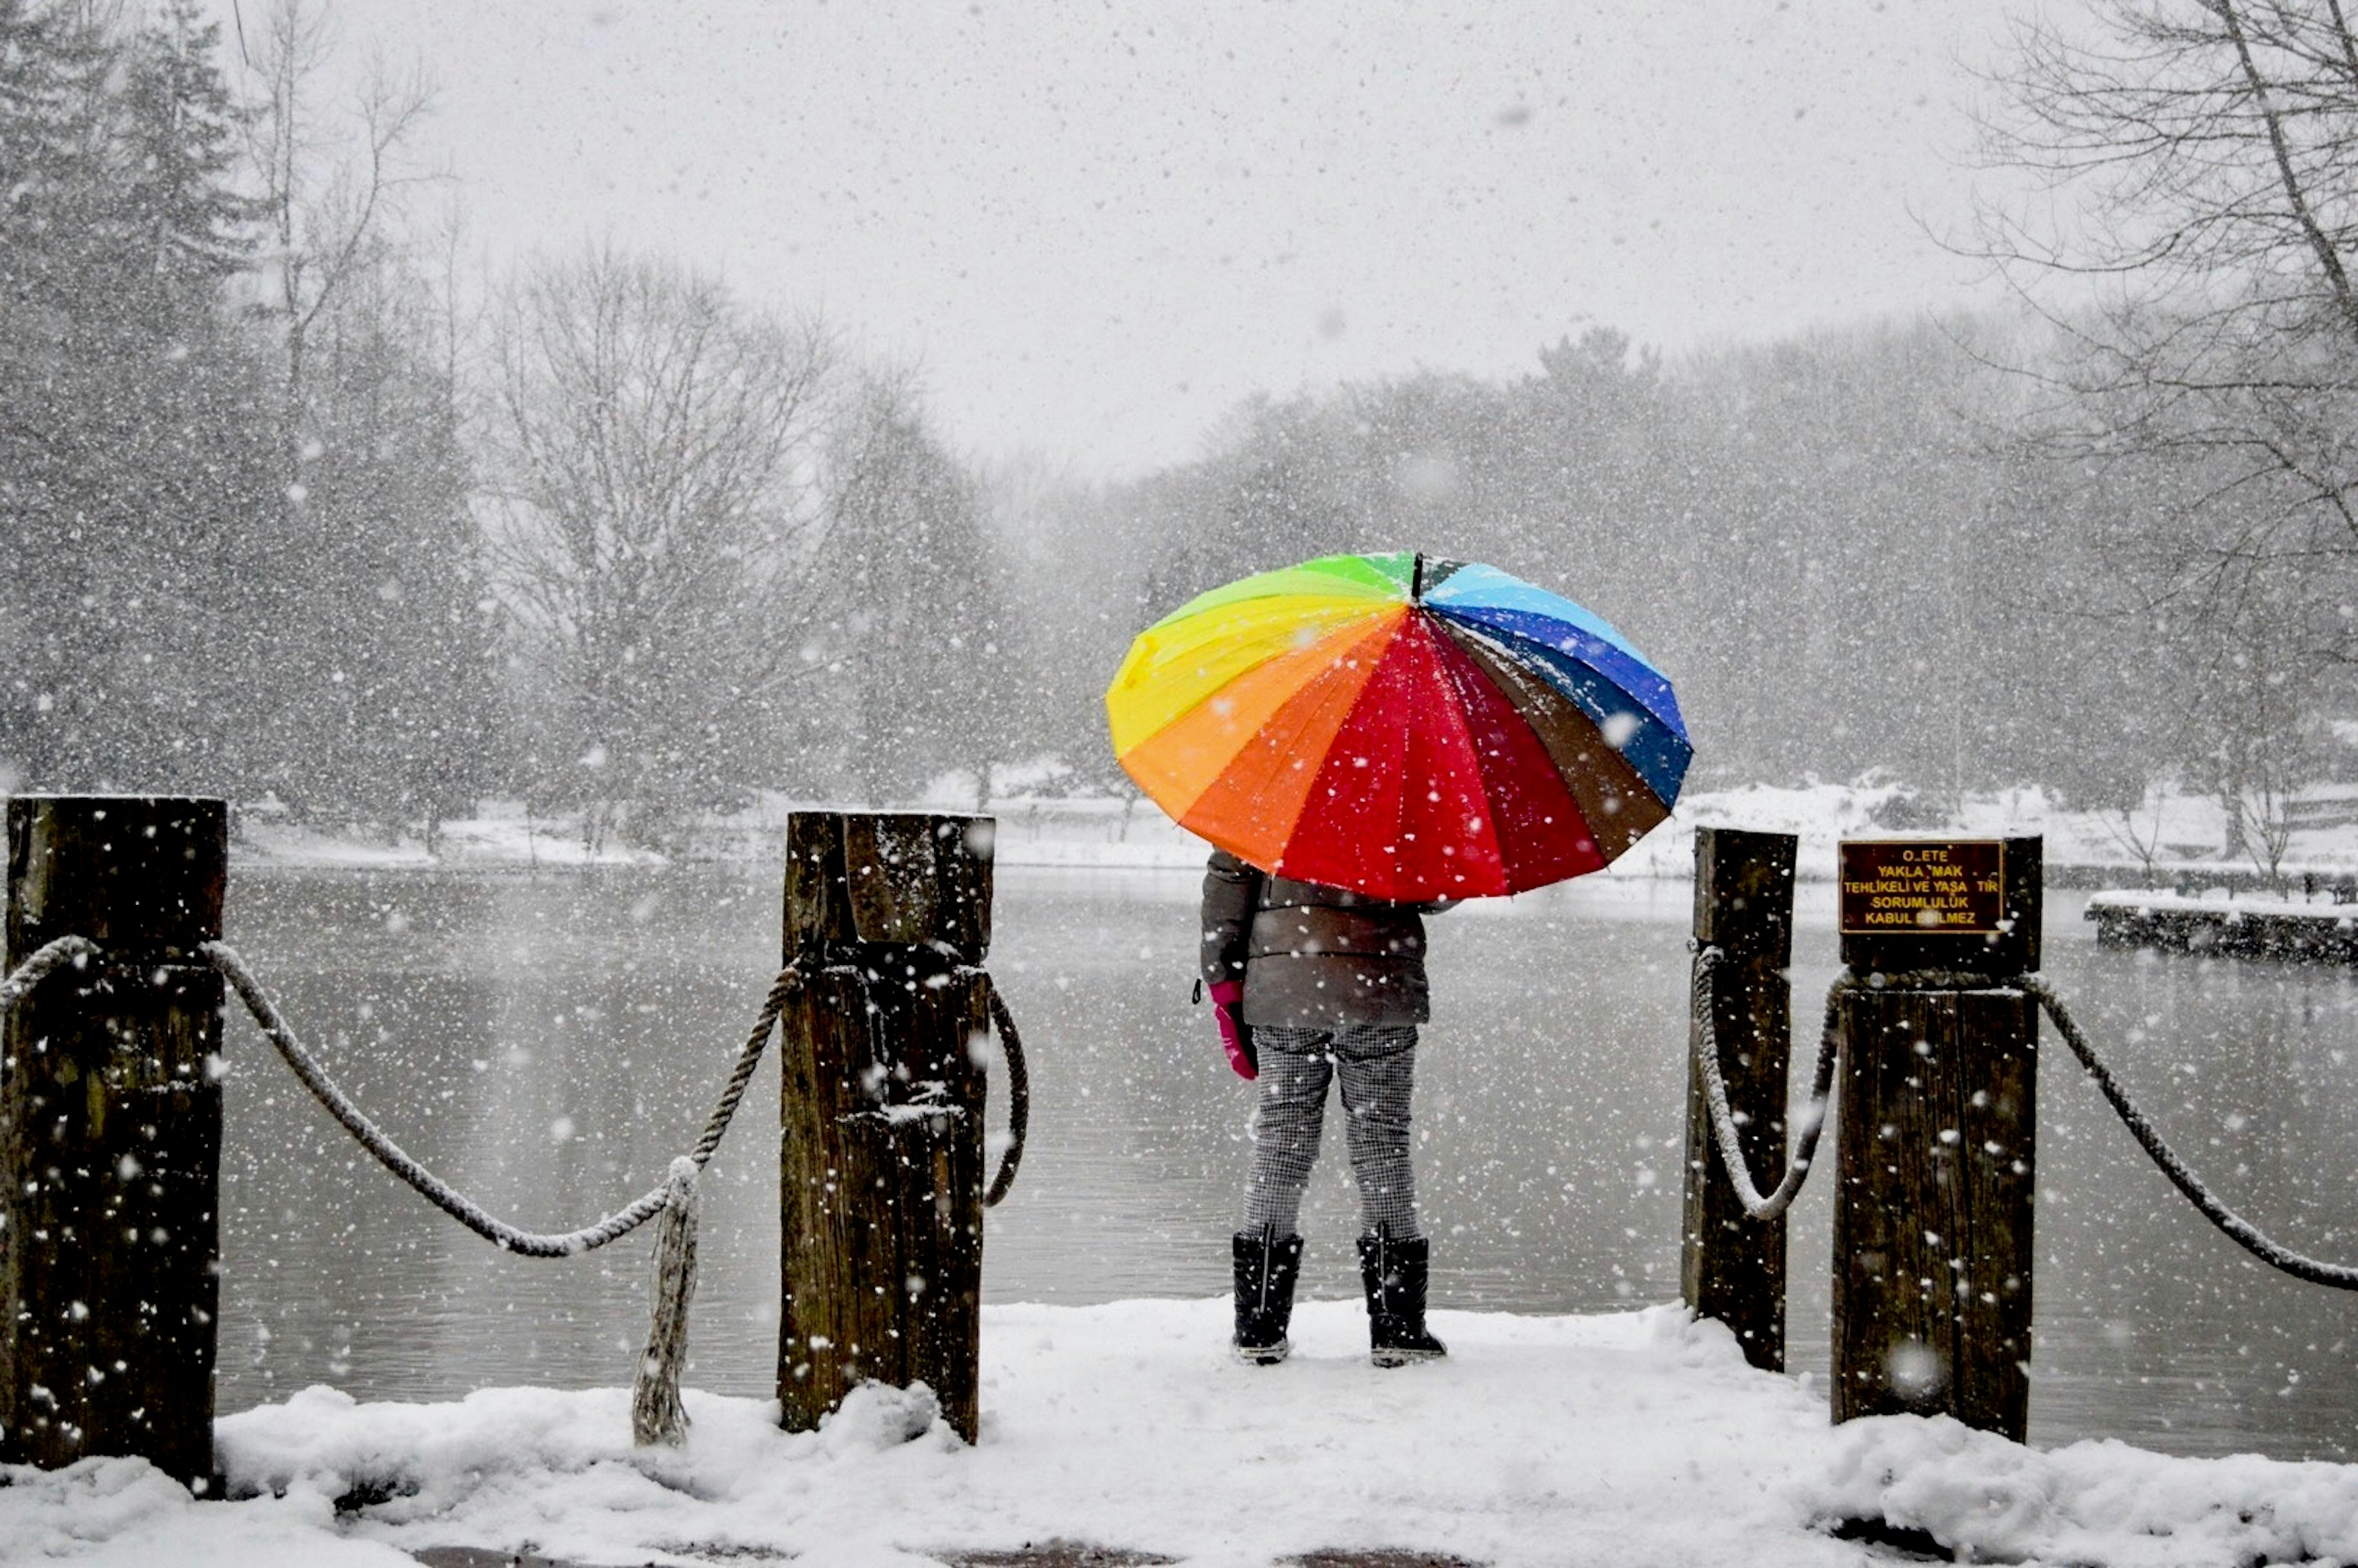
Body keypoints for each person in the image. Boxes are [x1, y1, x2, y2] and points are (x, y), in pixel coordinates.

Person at [1198, 846, 1450, 1368]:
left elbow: (1228, 886)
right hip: (1379, 988)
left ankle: (1259, 1325)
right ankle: (1398, 1328)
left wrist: (1225, 985)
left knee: (1281, 1145)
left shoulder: (1265, 792)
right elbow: (1435, 890)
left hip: (1286, 987)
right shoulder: (1406, 790)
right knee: (1382, 1147)